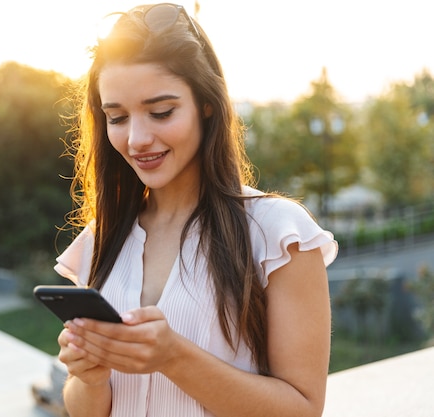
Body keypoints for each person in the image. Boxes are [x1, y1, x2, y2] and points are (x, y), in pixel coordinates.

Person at [53, 3, 338, 417]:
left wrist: (173, 357)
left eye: (161, 112)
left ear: (206, 103)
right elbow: (85, 409)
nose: (136, 139)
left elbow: (303, 409)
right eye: (116, 117)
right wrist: (89, 377)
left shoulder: (278, 234)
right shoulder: (100, 240)